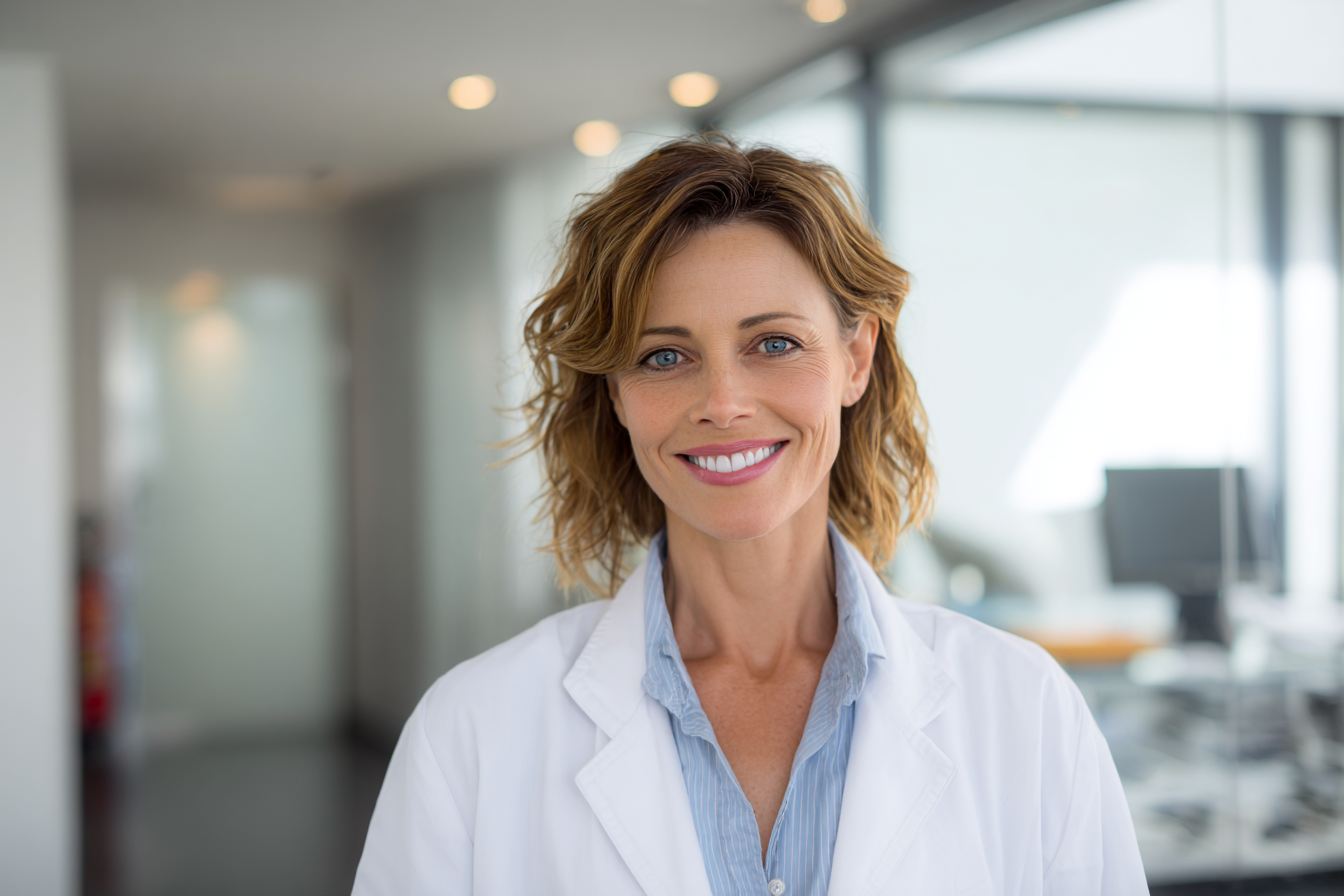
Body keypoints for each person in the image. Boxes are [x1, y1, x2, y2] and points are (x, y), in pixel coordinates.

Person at [352, 133, 1149, 895]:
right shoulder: (472, 732)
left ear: (856, 358)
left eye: (773, 343)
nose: (724, 405)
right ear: (619, 396)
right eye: (665, 356)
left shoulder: (1025, 709)